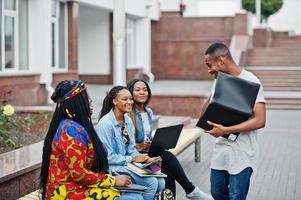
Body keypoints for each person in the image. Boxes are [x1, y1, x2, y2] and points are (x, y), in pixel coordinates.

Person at [40, 80, 143, 200]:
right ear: (75, 104)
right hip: (67, 193)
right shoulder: (70, 131)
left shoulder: (77, 126)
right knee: (134, 198)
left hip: (82, 186)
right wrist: (113, 180)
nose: (90, 101)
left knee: (136, 194)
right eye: (85, 98)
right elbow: (79, 174)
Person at [127, 78, 214, 200]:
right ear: (130, 92)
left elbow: (147, 135)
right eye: (137, 90)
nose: (142, 92)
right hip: (137, 160)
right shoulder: (128, 114)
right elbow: (126, 146)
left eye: (145, 90)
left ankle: (187, 192)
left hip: (149, 153)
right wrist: (140, 145)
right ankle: (191, 190)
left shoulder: (148, 112)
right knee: (166, 158)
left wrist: (156, 141)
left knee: (168, 172)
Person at [202, 42, 266, 200]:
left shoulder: (251, 81)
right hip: (222, 148)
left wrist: (225, 130)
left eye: (210, 65)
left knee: (236, 196)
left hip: (242, 151)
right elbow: (207, 113)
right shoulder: (219, 81)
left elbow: (260, 120)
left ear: (222, 60)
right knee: (217, 192)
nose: (209, 70)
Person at [95, 86, 165, 200]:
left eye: (131, 99)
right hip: (113, 168)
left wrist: (146, 159)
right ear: (114, 101)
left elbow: (131, 149)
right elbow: (107, 157)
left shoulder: (127, 120)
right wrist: (132, 159)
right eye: (125, 99)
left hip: (128, 165)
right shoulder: (105, 124)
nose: (130, 102)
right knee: (151, 182)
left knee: (160, 181)